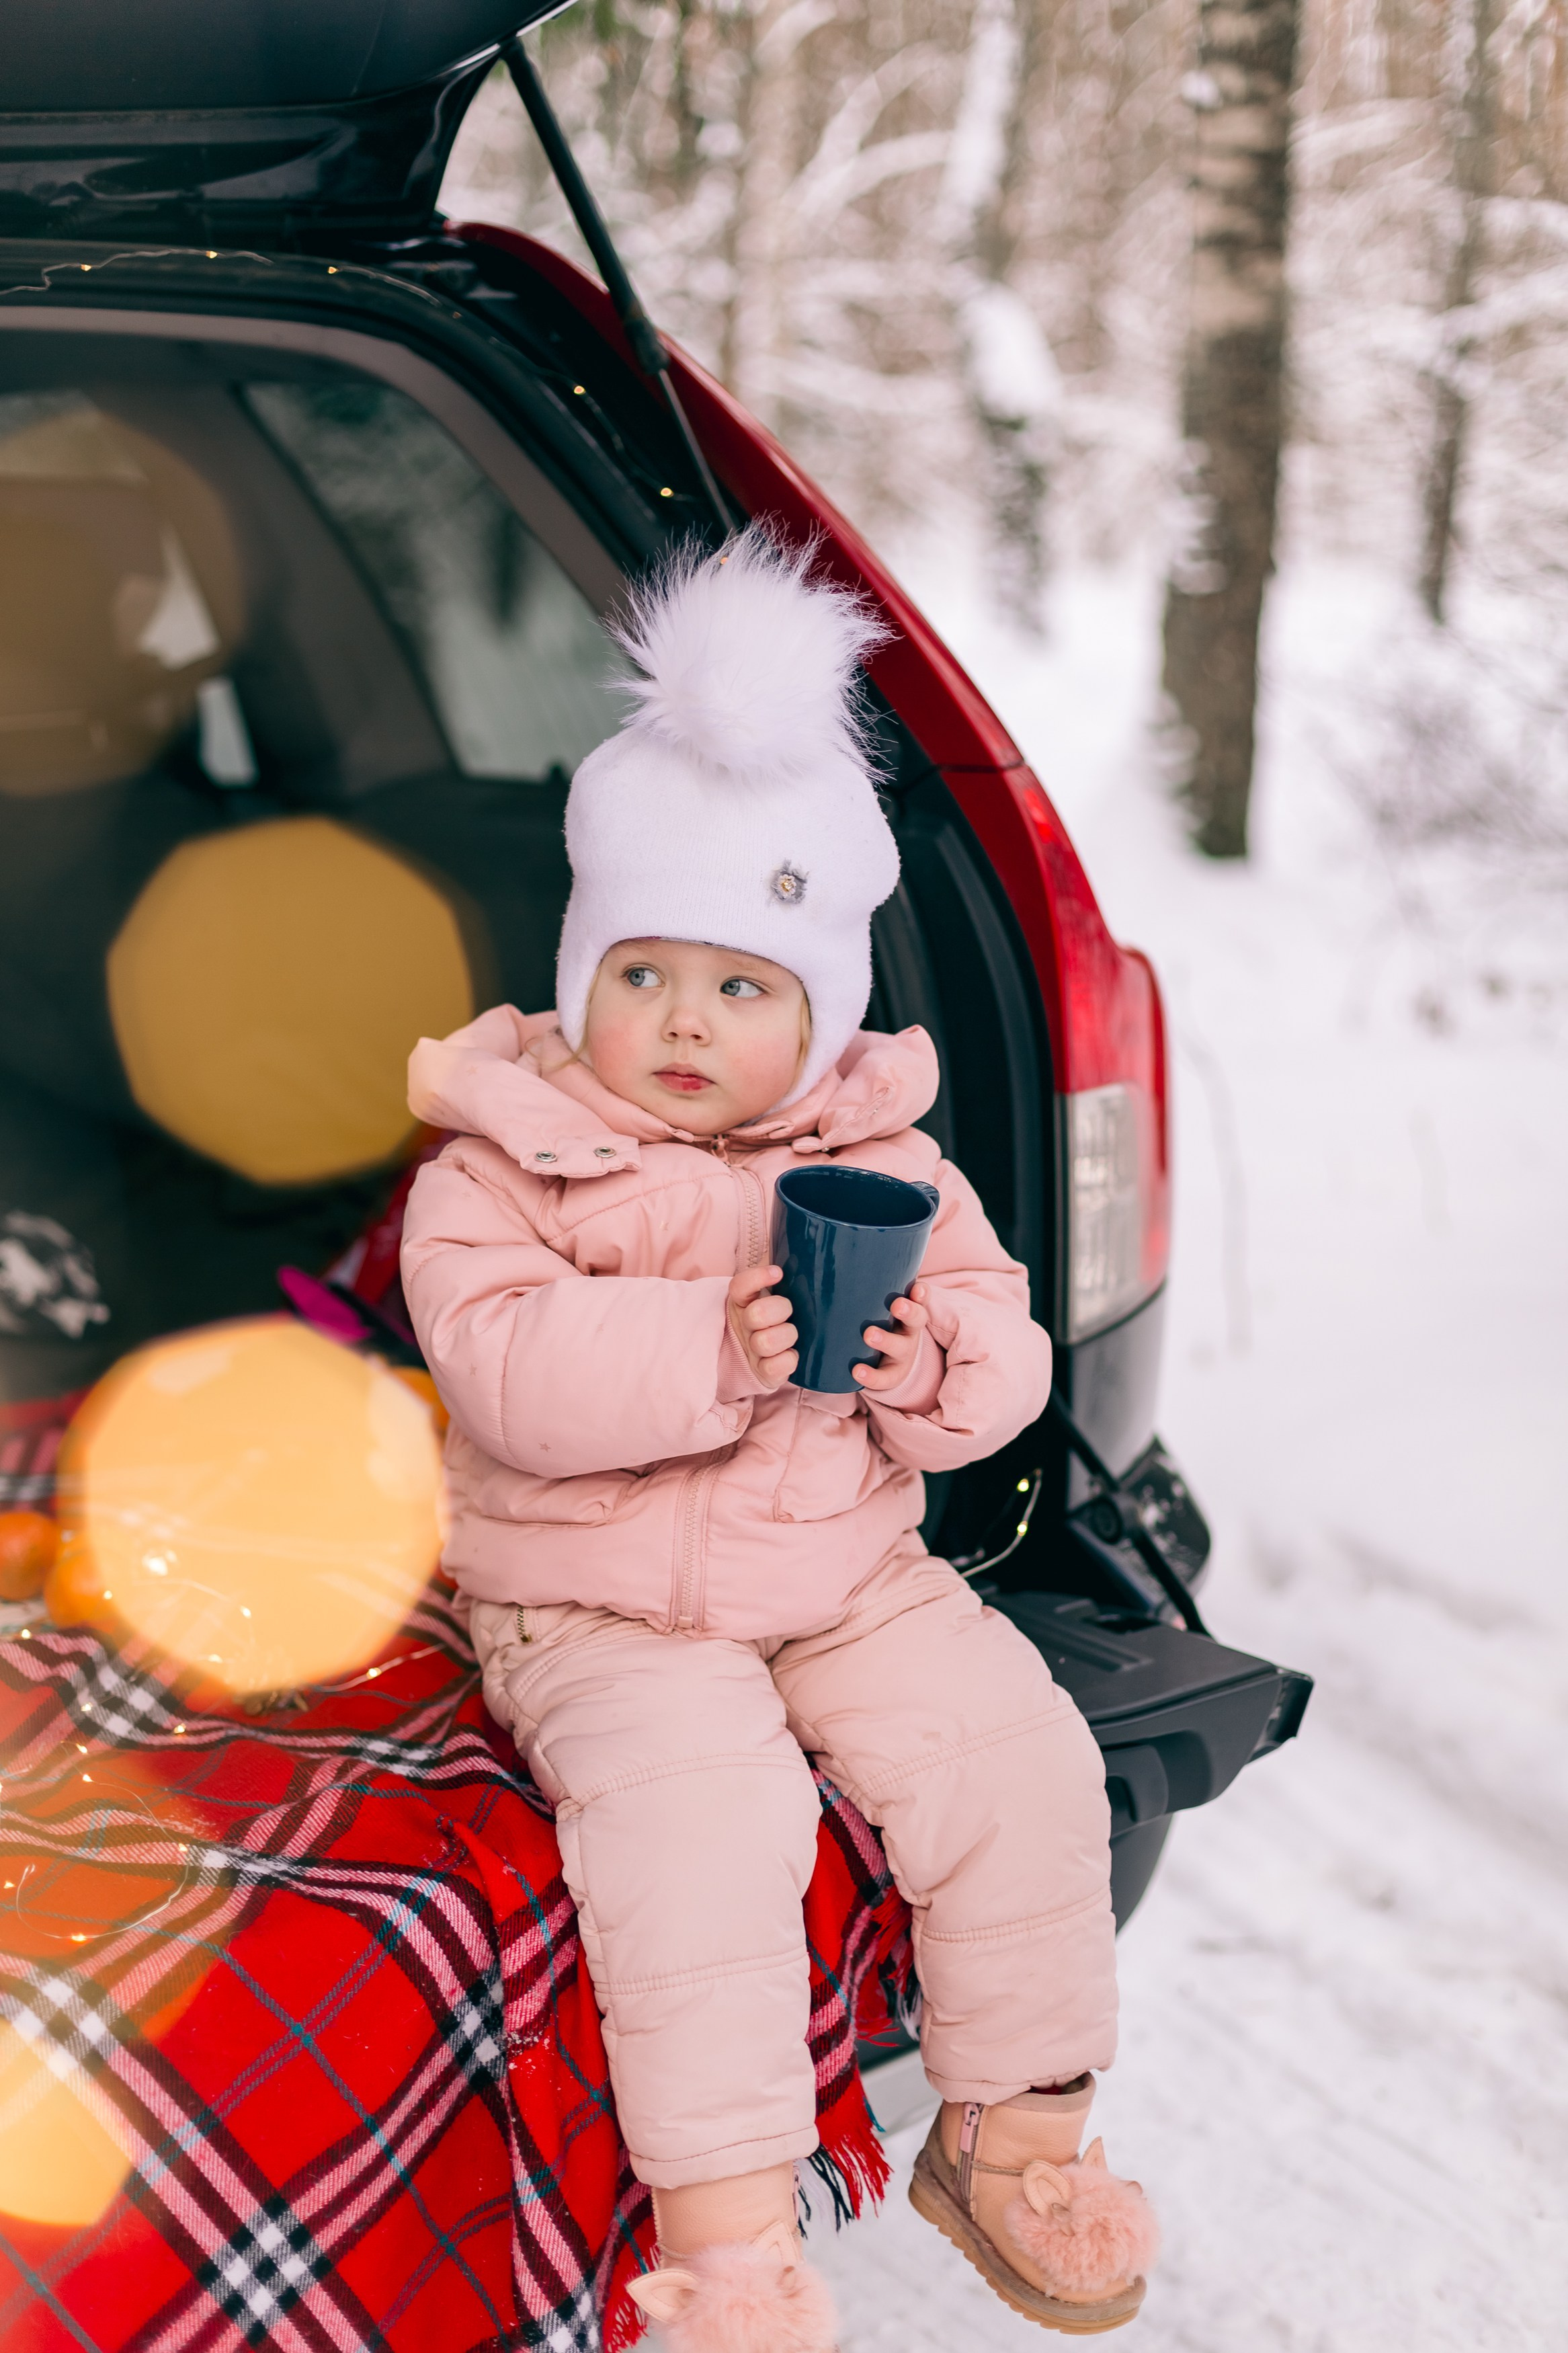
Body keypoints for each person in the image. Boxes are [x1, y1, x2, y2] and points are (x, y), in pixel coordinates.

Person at [400, 530, 1159, 2350]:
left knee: (1020, 1762)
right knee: (709, 1826)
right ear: (583, 970)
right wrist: (706, 1345)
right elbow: (502, 1366)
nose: (686, 1023)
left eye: (745, 987)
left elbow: (1003, 1352)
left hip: (837, 1559)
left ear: (816, 1011)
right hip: (596, 1600)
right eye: (646, 973)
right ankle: (730, 2244)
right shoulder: (509, 1153)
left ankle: (1016, 2134)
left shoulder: (881, 1157)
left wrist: (925, 1369)